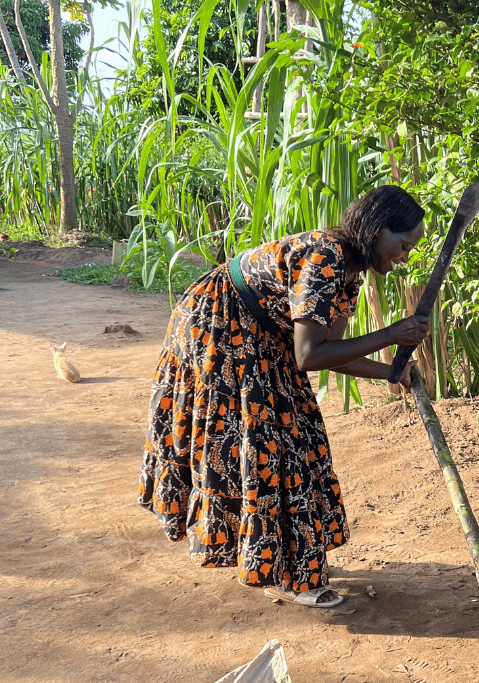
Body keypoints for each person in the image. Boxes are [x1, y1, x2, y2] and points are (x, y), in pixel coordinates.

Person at [138, 185, 430, 608]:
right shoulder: (325, 255)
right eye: (402, 244)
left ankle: (279, 560)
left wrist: (391, 372)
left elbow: (330, 353)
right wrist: (391, 334)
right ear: (376, 229)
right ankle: (283, 572)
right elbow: (309, 355)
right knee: (268, 446)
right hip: (220, 324)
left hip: (260, 337)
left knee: (296, 437)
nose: (404, 256)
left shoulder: (348, 274)